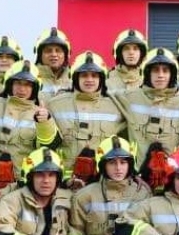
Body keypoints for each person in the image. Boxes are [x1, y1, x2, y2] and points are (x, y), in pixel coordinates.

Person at [112, 47, 179, 193]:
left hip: (173, 184)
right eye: (155, 70)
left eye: (165, 70)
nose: (160, 75)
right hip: (136, 183)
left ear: (173, 74)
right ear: (147, 73)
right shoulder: (128, 98)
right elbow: (99, 102)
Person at [0, 59, 59, 188]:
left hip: (22, 186)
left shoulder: (41, 115)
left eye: (28, 84)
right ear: (9, 84)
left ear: (35, 88)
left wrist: (45, 122)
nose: (22, 89)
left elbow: (48, 147)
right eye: (18, 83)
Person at [47, 51, 126, 189]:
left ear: (102, 78)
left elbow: (128, 145)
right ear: (75, 77)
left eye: (94, 75)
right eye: (84, 75)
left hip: (103, 184)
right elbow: (45, 144)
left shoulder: (116, 106)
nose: (89, 79)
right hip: (63, 184)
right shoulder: (55, 105)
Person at [34, 26, 73, 101]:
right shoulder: (29, 80)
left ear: (66, 54)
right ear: (39, 55)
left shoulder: (77, 80)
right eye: (48, 51)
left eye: (58, 51)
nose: (54, 54)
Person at [106, 28, 148, 95]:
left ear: (141, 54)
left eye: (135, 49)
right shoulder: (107, 78)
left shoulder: (148, 80)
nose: (131, 52)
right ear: (120, 53)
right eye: (126, 48)